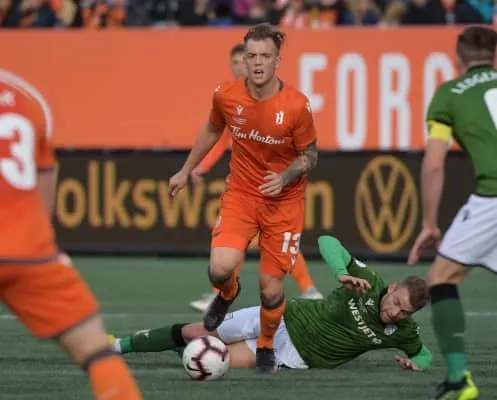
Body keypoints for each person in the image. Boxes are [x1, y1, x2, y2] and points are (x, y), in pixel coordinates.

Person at [168, 23, 319, 373]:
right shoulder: (226, 95)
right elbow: (212, 129)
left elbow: (310, 155)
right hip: (242, 194)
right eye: (252, 56)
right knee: (219, 268)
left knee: (270, 290)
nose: (258, 62)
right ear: (245, 60)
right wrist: (185, 169)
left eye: (265, 56)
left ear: (277, 60)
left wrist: (284, 177)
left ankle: (265, 344)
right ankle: (227, 292)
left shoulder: (297, 105)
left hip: (284, 202)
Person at [0, 69, 143, 399]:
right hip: (29, 254)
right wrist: (45, 247)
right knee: (97, 350)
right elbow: (44, 181)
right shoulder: (24, 99)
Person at [110, 236, 432, 374]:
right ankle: (118, 346)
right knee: (195, 332)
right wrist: (341, 273)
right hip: (283, 315)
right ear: (392, 288)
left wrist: (418, 363)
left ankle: (178, 348)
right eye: (396, 302)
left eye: (404, 312)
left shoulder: (404, 330)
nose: (395, 312)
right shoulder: (369, 282)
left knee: (215, 360)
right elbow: (327, 241)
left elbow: (423, 354)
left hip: (292, 354)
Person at [189, 42, 323, 313]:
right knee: (235, 246)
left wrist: (284, 176)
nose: (242, 67)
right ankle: (222, 293)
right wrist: (201, 165)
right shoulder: (232, 98)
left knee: (271, 248)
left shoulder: (283, 102)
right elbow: (221, 136)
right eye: (238, 62)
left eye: (246, 61)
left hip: (278, 190)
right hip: (248, 189)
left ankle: (308, 289)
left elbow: (306, 151)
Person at [408, 26, 497, 400]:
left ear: (458, 57)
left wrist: (429, 223)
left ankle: (459, 380)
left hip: (493, 198)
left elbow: (433, 165)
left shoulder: (449, 94)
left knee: (441, 278)